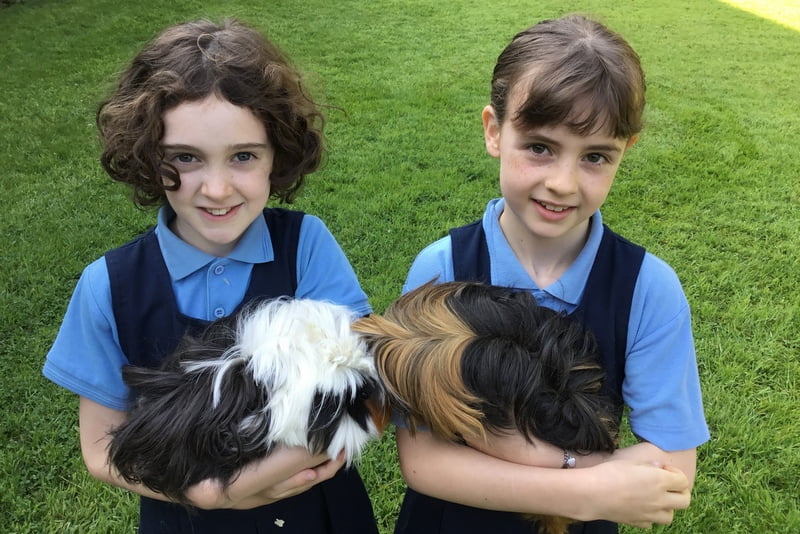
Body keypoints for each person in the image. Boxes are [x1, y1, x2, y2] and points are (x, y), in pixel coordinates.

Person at [42, 18, 377, 534]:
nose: (217, 189)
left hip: (320, 515)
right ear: (148, 156)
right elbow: (99, 449)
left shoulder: (307, 245)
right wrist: (212, 496)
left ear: (277, 156)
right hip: (184, 520)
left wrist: (246, 481)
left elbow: (362, 395)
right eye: (185, 158)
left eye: (243, 156)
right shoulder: (108, 285)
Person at [396, 14, 710, 534]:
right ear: (494, 131)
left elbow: (673, 471)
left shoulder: (648, 289)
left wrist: (491, 457)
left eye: (595, 157)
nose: (563, 183)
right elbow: (421, 458)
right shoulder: (443, 268)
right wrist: (586, 485)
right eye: (540, 147)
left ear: (624, 152)